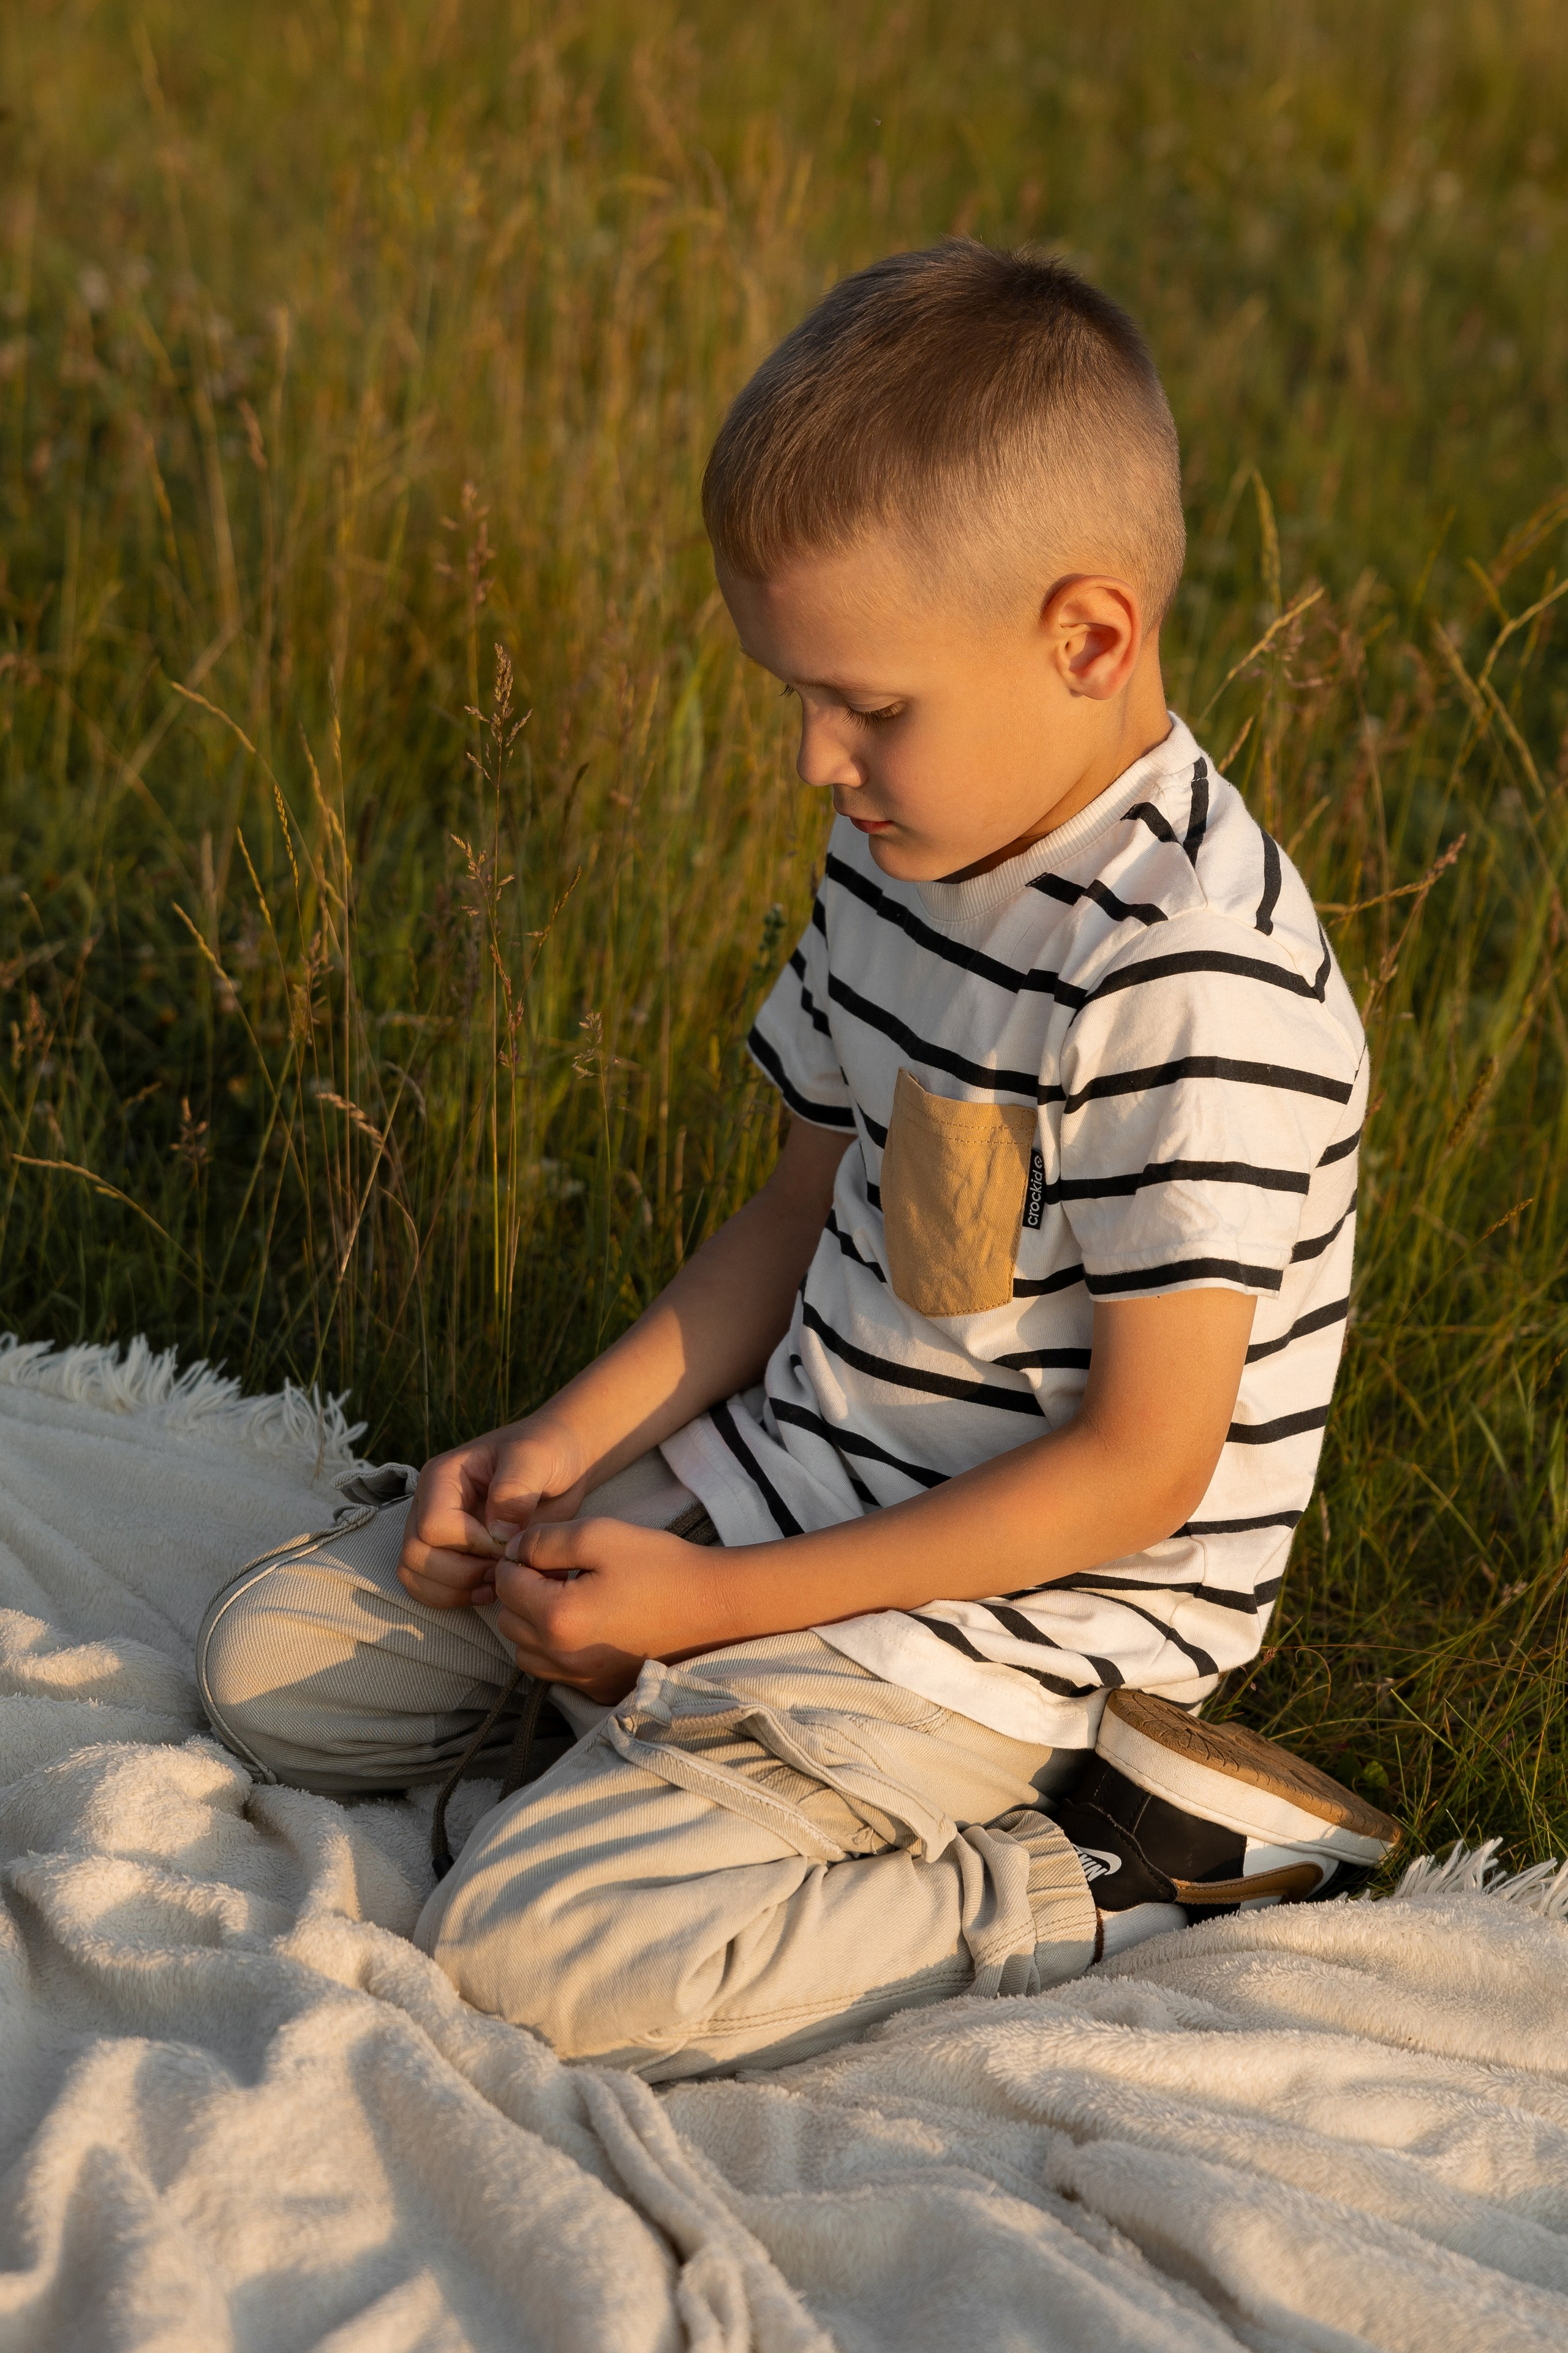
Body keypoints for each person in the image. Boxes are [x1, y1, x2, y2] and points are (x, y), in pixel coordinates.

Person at [199, 242, 1396, 2082]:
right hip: (784, 1495)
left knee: (525, 1951)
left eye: (869, 706)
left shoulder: (1191, 983)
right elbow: (802, 1214)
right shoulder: (918, 848)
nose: (815, 760)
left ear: (1087, 635)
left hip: (1000, 1625)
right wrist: (569, 1448)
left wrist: (715, 1607)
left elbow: (1141, 1470)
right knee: (276, 1660)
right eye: (799, 699)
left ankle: (1112, 1862)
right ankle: (646, 1733)